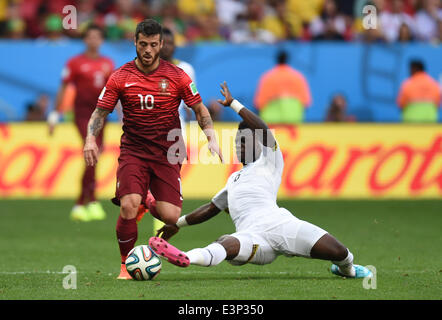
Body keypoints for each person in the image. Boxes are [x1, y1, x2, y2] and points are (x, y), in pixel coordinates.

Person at [149, 81, 372, 280]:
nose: (239, 145)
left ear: (258, 143)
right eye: (238, 142)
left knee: (341, 253)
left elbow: (263, 129)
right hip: (252, 236)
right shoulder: (234, 179)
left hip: (282, 225)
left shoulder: (271, 160)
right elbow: (210, 209)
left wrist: (234, 104)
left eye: (245, 141)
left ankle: (347, 270)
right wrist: (175, 224)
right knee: (226, 243)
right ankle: (186, 257)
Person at [83, 19, 223, 280]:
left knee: (171, 216)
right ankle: (125, 264)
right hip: (134, 150)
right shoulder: (120, 76)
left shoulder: (178, 76)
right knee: (128, 205)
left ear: (161, 46)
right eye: (143, 44)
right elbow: (100, 112)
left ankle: (148, 201)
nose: (148, 49)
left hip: (168, 152)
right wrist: (90, 139)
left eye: (153, 45)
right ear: (135, 43)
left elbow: (199, 108)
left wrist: (211, 136)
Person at [47, 24, 114, 222]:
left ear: (101, 41)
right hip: (83, 113)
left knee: (96, 154)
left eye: (97, 37)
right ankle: (87, 202)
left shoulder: (107, 63)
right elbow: (64, 88)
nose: (93, 40)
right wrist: (54, 114)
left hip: (102, 114)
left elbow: (114, 91)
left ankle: (83, 203)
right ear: (85, 40)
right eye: (90, 37)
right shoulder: (75, 63)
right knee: (92, 151)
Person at [254, 50, 312, 124]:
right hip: (294, 119)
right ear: (287, 60)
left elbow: (259, 103)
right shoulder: (298, 77)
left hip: (271, 121)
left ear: (276, 60)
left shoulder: (268, 77)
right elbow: (306, 102)